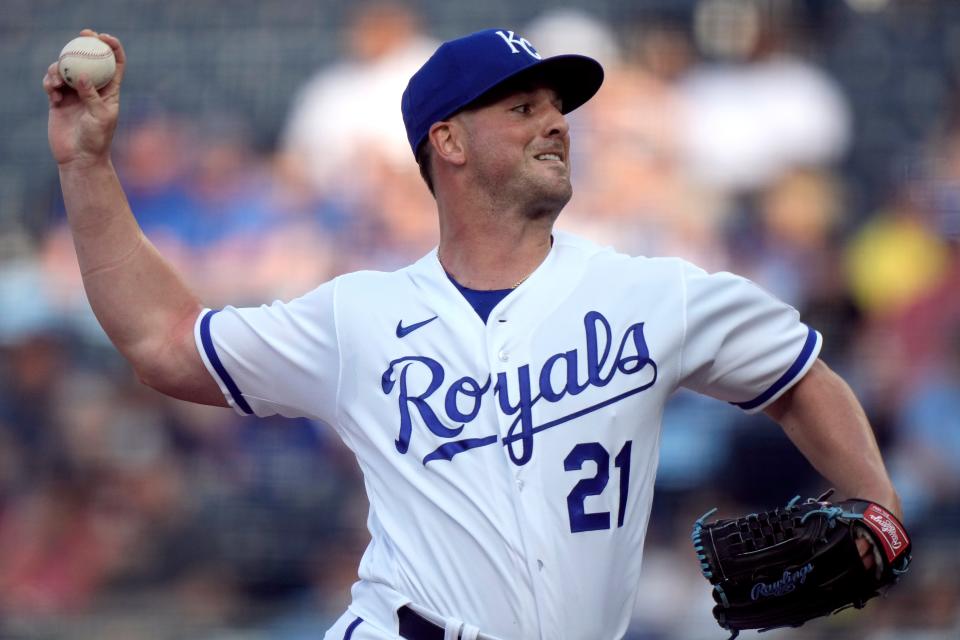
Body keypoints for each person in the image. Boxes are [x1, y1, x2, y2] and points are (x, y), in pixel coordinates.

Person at [44, 27, 901, 640]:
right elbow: (163, 341)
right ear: (446, 142)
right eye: (523, 108)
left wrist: (882, 508)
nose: (556, 123)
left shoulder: (652, 293)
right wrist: (86, 165)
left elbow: (801, 377)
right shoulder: (360, 318)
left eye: (558, 108)